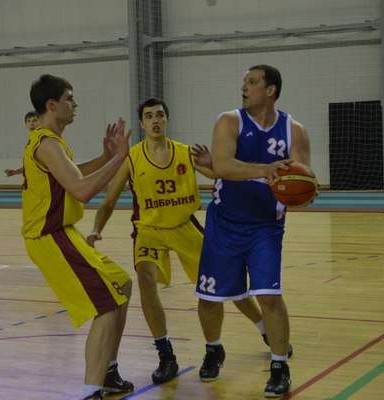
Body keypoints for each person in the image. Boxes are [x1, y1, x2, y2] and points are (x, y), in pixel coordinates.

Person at [86, 97, 273, 385]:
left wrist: (245, 172)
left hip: (185, 226)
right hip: (149, 230)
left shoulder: (186, 153)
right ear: (142, 123)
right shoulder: (132, 158)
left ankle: (265, 330)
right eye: (149, 116)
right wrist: (96, 229)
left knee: (227, 287)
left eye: (160, 115)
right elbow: (108, 202)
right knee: (145, 276)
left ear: (167, 120)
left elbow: (223, 174)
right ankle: (165, 354)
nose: (155, 120)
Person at [195, 64, 312, 397]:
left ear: (270, 90)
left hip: (266, 227)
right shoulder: (229, 121)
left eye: (252, 82)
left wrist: (304, 191)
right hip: (224, 224)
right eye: (244, 82)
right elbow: (222, 166)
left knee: (270, 297)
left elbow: (303, 174)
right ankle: (214, 348)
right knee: (210, 298)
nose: (244, 87)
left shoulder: (294, 130)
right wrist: (266, 169)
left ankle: (279, 366)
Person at [22, 74, 134, 400]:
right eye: (69, 98)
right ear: (51, 105)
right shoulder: (47, 143)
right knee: (107, 305)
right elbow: (82, 190)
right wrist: (118, 159)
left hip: (64, 232)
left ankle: (107, 370)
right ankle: (91, 391)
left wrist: (105, 157)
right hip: (49, 236)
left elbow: (73, 174)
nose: (75, 104)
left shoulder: (51, 142)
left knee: (122, 284)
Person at [5, 110, 39, 177]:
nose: (31, 123)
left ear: (41, 122)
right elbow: (29, 166)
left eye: (34, 120)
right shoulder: (30, 141)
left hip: (40, 182)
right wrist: (15, 172)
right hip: (30, 181)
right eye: (28, 121)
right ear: (26, 124)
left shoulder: (43, 140)